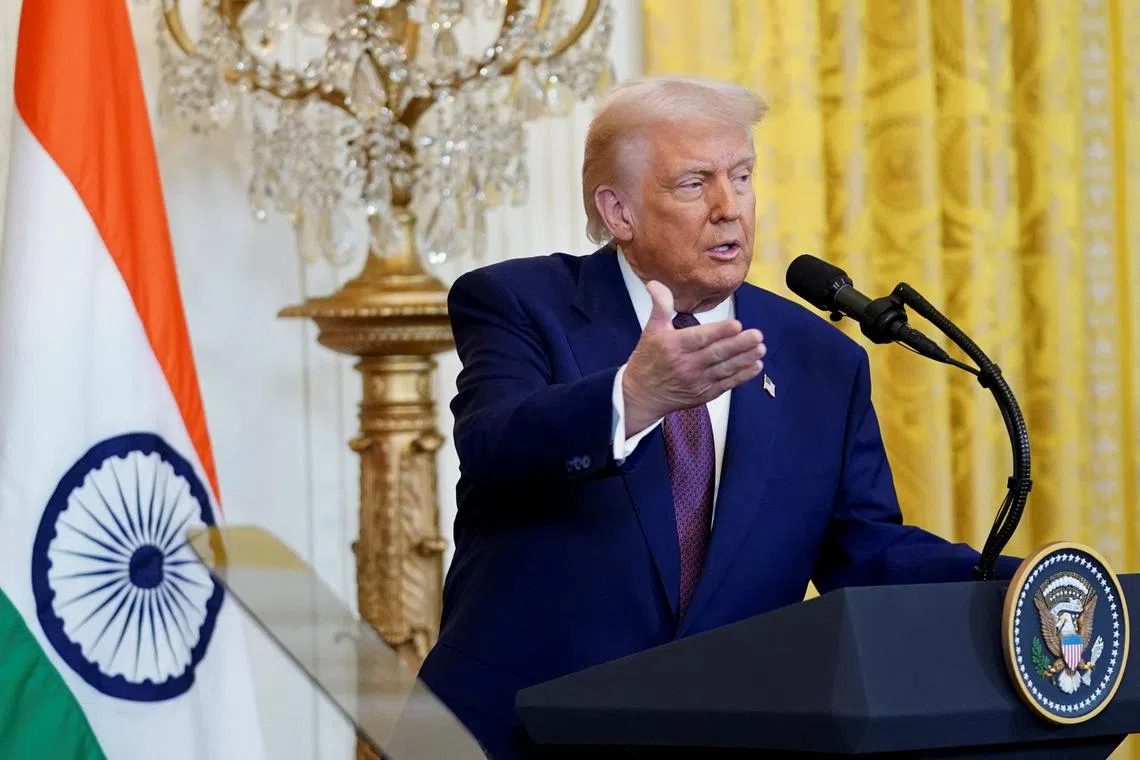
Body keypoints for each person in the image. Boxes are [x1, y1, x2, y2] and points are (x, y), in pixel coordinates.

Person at [415, 76, 1020, 759]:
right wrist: (631, 398)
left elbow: (867, 551)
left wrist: (1020, 591)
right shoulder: (523, 302)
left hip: (717, 734)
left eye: (742, 176)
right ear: (618, 212)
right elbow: (495, 445)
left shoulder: (820, 358)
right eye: (694, 184)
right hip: (514, 735)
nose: (730, 208)